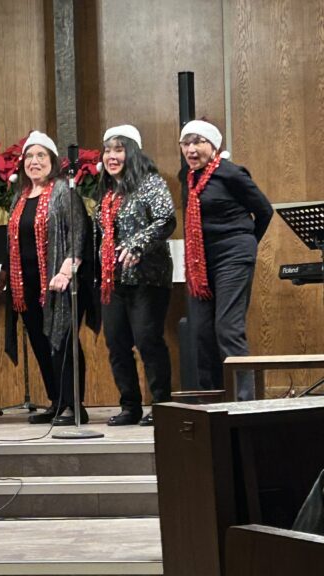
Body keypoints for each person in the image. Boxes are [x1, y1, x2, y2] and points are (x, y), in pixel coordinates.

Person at [0, 131, 90, 426]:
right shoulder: (19, 198)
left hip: (60, 284)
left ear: (53, 161)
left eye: (41, 156)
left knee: (63, 343)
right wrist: (2, 279)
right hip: (26, 287)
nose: (34, 162)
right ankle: (57, 402)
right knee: (40, 343)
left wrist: (65, 271)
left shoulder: (64, 192)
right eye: (30, 157)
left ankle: (75, 406)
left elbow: (79, 234)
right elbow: (12, 243)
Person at [179, 120, 273, 400]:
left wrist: (246, 244)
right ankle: (213, 399)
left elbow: (264, 210)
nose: (192, 149)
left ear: (214, 146)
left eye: (199, 142)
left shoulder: (231, 174)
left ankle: (245, 400)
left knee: (227, 328)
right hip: (201, 261)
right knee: (200, 332)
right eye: (186, 143)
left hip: (233, 255)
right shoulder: (188, 177)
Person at [97, 125, 175, 426]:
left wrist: (137, 244)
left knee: (147, 340)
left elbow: (166, 219)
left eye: (119, 149)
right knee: (116, 344)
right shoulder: (106, 191)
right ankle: (130, 406)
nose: (112, 156)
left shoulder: (151, 183)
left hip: (147, 277)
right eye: (108, 150)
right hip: (112, 280)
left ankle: (161, 404)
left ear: (133, 152)